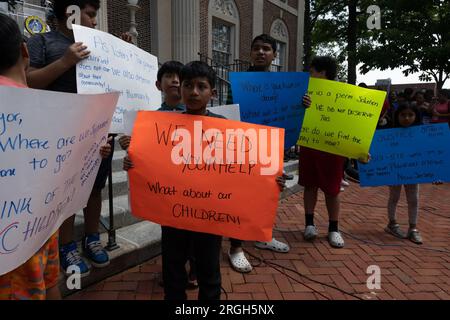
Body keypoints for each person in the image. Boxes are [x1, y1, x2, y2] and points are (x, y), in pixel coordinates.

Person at [123, 61, 285, 299]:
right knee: (172, 271)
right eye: (188, 85)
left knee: (209, 272)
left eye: (201, 86)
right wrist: (132, 164)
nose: (194, 92)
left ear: (213, 93)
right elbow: (148, 163)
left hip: (210, 216)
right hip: (173, 214)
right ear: (181, 89)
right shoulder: (162, 126)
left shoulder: (226, 128)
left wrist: (273, 178)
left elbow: (248, 166)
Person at [0, 13, 110, 299]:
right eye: (89, 11)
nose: (93, 19)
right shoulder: (38, 105)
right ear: (25, 51)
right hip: (34, 232)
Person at [26, 0, 129, 277]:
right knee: (67, 194)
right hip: (58, 137)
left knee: (94, 188)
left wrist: (122, 51)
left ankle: (92, 237)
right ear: (70, 11)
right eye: (92, 14)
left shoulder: (100, 46)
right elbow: (29, 82)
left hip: (97, 135)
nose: (95, 22)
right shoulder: (41, 42)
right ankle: (67, 245)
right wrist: (65, 61)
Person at [226, 34, 290, 274]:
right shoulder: (240, 82)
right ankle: (236, 247)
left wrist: (302, 104)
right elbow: (231, 113)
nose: (261, 52)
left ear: (274, 55)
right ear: (250, 53)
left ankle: (263, 235)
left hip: (271, 147)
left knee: (268, 194)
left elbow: (289, 113)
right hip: (244, 146)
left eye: (266, 49)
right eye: (256, 49)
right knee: (240, 198)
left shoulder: (285, 85)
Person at [300, 56, 368, 248]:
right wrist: (303, 104)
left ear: (323, 72)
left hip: (332, 148)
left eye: (312, 71)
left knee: (333, 189)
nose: (310, 75)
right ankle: (309, 224)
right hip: (310, 143)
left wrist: (359, 149)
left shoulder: (345, 94)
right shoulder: (306, 92)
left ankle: (333, 228)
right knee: (310, 185)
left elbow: (355, 122)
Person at [385, 103, 424, 244]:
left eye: (410, 115)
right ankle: (392, 224)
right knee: (394, 197)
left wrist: (435, 174)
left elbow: (430, 157)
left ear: (416, 116)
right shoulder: (389, 134)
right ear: (397, 116)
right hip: (395, 171)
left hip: (413, 172)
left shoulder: (423, 135)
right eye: (403, 115)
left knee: (414, 199)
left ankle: (413, 228)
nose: (407, 118)